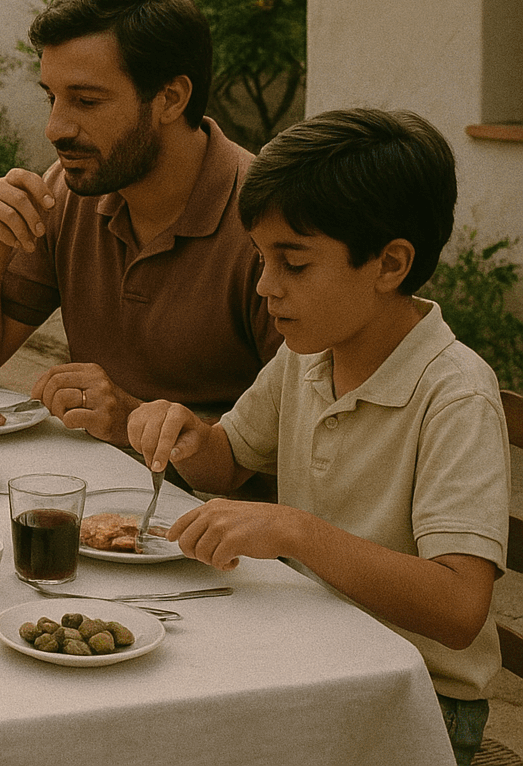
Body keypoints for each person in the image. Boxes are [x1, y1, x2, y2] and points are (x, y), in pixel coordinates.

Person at [127, 108, 507, 766]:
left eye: (293, 264)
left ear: (389, 264)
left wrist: (299, 532)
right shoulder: (310, 353)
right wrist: (189, 434)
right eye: (261, 258)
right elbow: (227, 463)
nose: (265, 286)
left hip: (417, 694)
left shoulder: (455, 395)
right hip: (311, 648)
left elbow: (459, 605)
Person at [0, 0, 278, 446]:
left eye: (86, 100)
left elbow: (305, 441)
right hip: (98, 486)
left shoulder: (269, 223)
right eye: (51, 98)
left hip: (216, 507)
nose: (55, 128)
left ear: (170, 99)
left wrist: (130, 419)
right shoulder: (68, 190)